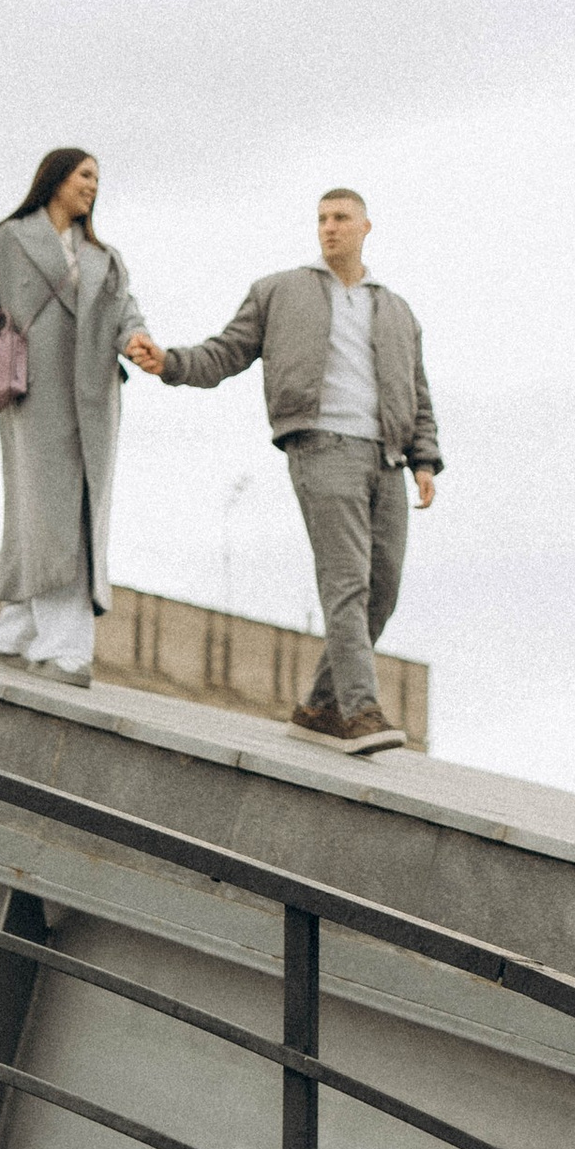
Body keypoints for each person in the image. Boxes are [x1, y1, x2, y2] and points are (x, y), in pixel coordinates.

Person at [158, 188, 440, 749]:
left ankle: (318, 709)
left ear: (365, 227)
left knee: (382, 590)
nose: (329, 227)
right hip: (321, 446)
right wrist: (171, 363)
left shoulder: (396, 310)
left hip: (387, 458)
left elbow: (418, 391)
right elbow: (226, 352)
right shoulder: (280, 291)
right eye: (322, 219)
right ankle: (360, 709)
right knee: (347, 580)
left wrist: (424, 460)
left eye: (341, 218)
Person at [0, 148, 166, 684]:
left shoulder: (106, 258)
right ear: (56, 178)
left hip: (96, 401)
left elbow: (126, 313)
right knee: (50, 511)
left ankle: (13, 632)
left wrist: (137, 340)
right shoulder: (7, 241)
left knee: (72, 512)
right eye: (85, 175)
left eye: (97, 178)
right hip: (35, 395)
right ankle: (67, 649)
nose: (93, 185)